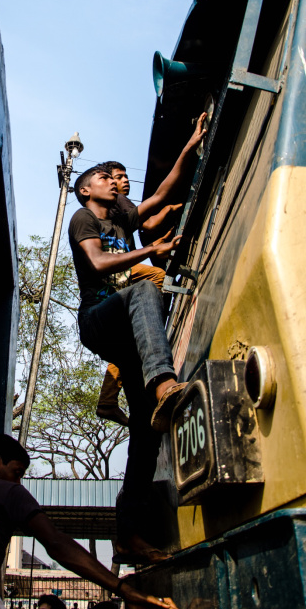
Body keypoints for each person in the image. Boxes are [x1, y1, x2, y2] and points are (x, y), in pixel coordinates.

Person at [68, 115, 206, 564]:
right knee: (144, 285)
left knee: (147, 432)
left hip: (130, 334)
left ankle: (128, 536)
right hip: (98, 321)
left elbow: (164, 192)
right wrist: (149, 251)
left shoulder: (123, 215)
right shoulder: (83, 218)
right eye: (104, 177)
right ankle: (164, 382)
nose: (113, 182)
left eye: (113, 177)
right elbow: (99, 263)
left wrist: (191, 144)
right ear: (86, 189)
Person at [0, 433, 182, 609]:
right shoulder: (9, 493)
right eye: (16, 473)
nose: (18, 483)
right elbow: (57, 543)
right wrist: (125, 590)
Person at [95, 161, 182, 427]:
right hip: (121, 268)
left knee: (130, 340)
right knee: (158, 279)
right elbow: (151, 222)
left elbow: (144, 234)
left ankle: (107, 400)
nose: (124, 182)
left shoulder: (118, 206)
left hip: (121, 270)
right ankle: (150, 320)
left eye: (125, 177)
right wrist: (170, 208)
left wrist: (157, 243)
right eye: (118, 177)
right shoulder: (119, 200)